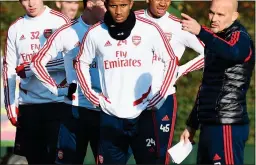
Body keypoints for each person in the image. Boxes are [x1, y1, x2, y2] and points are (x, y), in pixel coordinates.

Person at [74, 0, 178, 163]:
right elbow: (81, 62)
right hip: (110, 115)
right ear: (106, 5)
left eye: (123, 5)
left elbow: (171, 59)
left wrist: (161, 94)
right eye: (113, 6)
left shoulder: (149, 28)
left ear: (131, 3)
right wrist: (91, 95)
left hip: (143, 113)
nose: (118, 11)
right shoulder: (95, 32)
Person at [179, 0, 255, 164]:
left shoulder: (240, 37)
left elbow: (233, 52)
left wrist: (201, 31)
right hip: (209, 125)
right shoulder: (214, 41)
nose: (214, 18)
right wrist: (192, 125)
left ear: (234, 16)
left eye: (220, 14)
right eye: (212, 12)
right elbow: (207, 86)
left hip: (227, 125)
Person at [135, 0, 205, 164]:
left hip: (163, 98)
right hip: (130, 100)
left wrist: (181, 70)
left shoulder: (178, 26)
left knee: (157, 155)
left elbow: (209, 53)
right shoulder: (132, 20)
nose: (163, 3)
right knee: (126, 152)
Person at [2, 0, 71, 163]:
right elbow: (9, 69)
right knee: (34, 160)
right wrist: (11, 108)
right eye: (25, 0)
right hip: (29, 106)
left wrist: (31, 68)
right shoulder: (16, 28)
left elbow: (72, 60)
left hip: (58, 102)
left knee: (58, 160)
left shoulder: (60, 21)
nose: (30, 3)